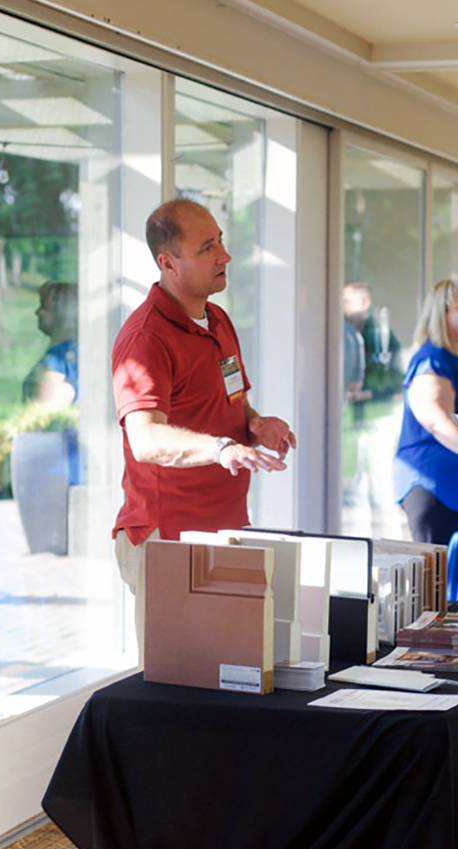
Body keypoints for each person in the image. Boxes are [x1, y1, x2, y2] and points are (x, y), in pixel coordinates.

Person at [111, 198, 297, 654]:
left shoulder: (217, 320)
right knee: (174, 697)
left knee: (233, 680)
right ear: (168, 263)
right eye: (208, 247)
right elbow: (146, 438)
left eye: (222, 242)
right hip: (170, 542)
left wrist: (256, 425)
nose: (225, 256)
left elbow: (235, 403)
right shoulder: (145, 340)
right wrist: (221, 449)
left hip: (228, 531)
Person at [392, 277, 458, 547]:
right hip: (436, 487)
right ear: (442, 313)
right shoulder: (431, 359)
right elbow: (436, 421)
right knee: (438, 582)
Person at [23, 280, 78, 404]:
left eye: (43, 307)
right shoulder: (77, 352)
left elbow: (42, 411)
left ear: (62, 312)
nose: (37, 312)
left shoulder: (58, 359)